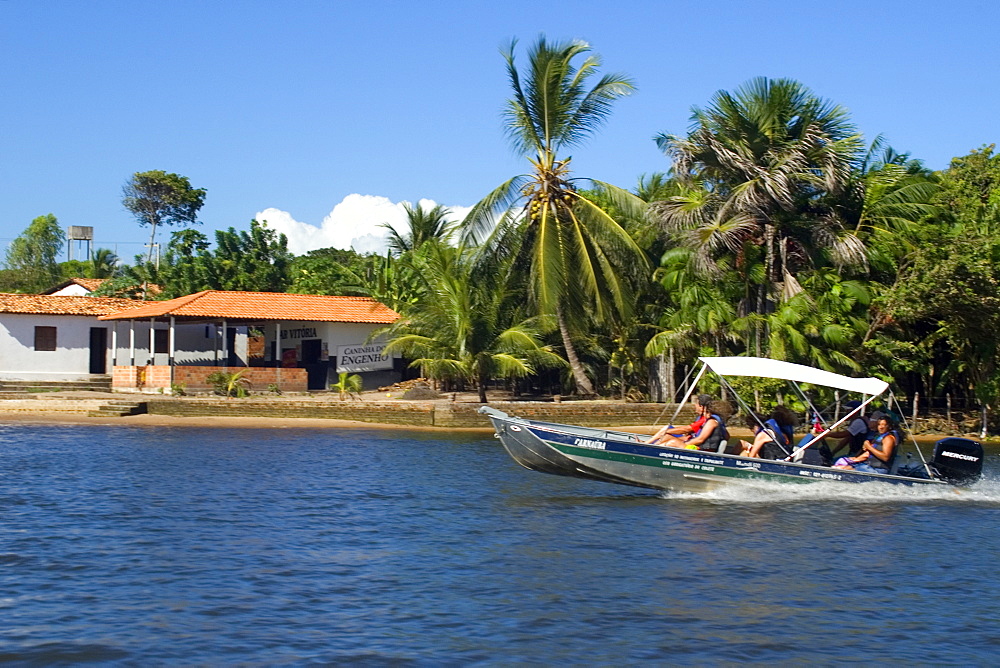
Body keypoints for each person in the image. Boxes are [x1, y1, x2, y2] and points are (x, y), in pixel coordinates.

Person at [833, 417, 898, 473]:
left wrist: (869, 447)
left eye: (884, 425)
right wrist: (855, 459)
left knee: (839, 468)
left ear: (889, 426)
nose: (880, 427)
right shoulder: (878, 437)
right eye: (879, 425)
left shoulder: (888, 438)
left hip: (878, 470)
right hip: (869, 466)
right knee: (838, 465)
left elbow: (885, 457)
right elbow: (868, 453)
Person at [646, 394, 713, 445]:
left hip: (690, 441)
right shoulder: (701, 417)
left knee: (665, 432)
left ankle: (648, 445)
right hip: (688, 437)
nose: (695, 406)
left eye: (696, 405)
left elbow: (686, 429)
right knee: (666, 430)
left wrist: (667, 431)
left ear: (701, 407)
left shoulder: (706, 420)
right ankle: (648, 444)